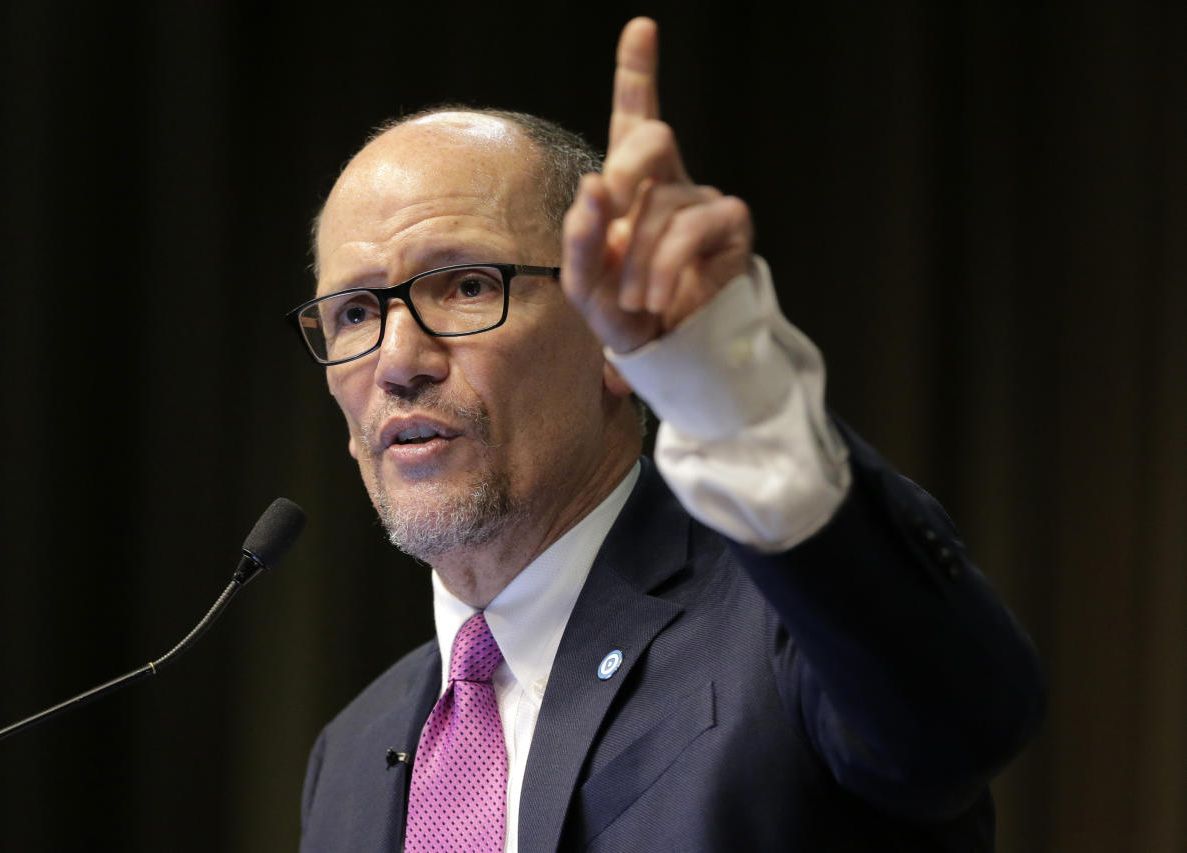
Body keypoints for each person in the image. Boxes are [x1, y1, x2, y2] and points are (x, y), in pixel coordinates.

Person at [293, 17, 1043, 853]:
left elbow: (965, 720)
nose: (397, 359)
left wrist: (737, 395)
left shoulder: (787, 628)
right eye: (354, 311)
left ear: (614, 339)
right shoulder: (350, 759)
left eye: (467, 285)